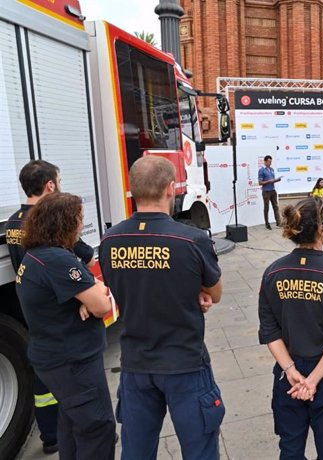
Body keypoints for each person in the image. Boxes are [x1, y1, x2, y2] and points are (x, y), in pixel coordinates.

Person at [99, 156, 225, 459]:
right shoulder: (192, 240)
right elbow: (216, 292)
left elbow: (127, 286)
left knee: (136, 451)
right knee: (200, 450)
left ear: (133, 190)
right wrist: (192, 292)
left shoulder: (110, 239)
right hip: (184, 363)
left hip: (136, 364)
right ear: (171, 189)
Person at [15, 192, 116, 459]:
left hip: (55, 359)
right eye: (80, 219)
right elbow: (103, 305)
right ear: (65, 222)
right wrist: (92, 292)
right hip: (73, 363)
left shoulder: (35, 255)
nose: (82, 225)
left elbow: (90, 298)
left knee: (71, 425)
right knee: (98, 427)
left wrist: (87, 295)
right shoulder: (58, 261)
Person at [5, 160, 95, 454]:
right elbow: (83, 254)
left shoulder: (13, 221)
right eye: (60, 180)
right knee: (70, 378)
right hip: (60, 310)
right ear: (51, 185)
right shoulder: (51, 221)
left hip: (32, 305)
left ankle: (50, 436)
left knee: (43, 378)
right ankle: (80, 431)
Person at [259, 197, 323, 459]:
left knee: (290, 449)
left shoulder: (272, 273)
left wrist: (291, 370)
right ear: (320, 229)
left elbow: (269, 329)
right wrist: (312, 380)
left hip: (287, 376)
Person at [259, 154, 282, 230]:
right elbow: (260, 182)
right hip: (266, 192)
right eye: (269, 162)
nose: (270, 163)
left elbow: (272, 180)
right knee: (266, 208)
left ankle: (278, 222)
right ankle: (267, 224)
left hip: (273, 190)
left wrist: (276, 180)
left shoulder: (272, 169)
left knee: (276, 206)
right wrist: (269, 181)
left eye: (271, 162)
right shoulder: (262, 170)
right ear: (265, 161)